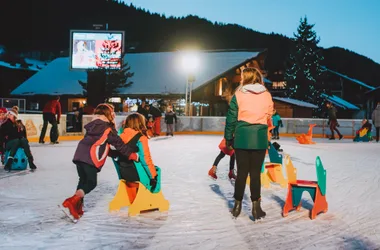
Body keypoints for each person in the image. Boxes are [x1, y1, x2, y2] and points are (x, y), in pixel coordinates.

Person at [61, 103, 139, 221]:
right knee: (91, 183)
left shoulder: (93, 126)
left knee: (83, 181)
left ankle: (77, 208)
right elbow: (119, 145)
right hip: (91, 158)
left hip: (79, 155)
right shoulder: (107, 129)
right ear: (109, 115)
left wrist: (112, 153)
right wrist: (132, 154)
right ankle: (72, 202)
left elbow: (102, 144)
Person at [224, 67, 273, 220]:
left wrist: (228, 138)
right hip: (259, 138)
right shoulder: (266, 95)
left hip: (242, 137)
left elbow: (231, 119)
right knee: (255, 174)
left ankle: (237, 206)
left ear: (245, 78)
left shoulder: (238, 95)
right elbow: (270, 114)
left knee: (242, 174)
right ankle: (256, 208)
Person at [113, 113, 158, 203]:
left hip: (124, 172)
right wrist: (153, 176)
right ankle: (148, 200)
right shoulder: (140, 138)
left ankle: (132, 198)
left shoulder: (119, 137)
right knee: (157, 172)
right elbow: (145, 159)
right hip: (136, 174)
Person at [0, 106, 37, 171]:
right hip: (8, 143)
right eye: (8, 113)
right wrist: (2, 150)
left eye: (10, 114)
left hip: (18, 142)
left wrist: (21, 130)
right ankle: (9, 161)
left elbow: (24, 136)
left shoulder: (19, 124)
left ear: (14, 116)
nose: (8, 115)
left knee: (24, 140)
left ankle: (30, 161)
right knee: (17, 140)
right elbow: (2, 136)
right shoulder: (5, 124)